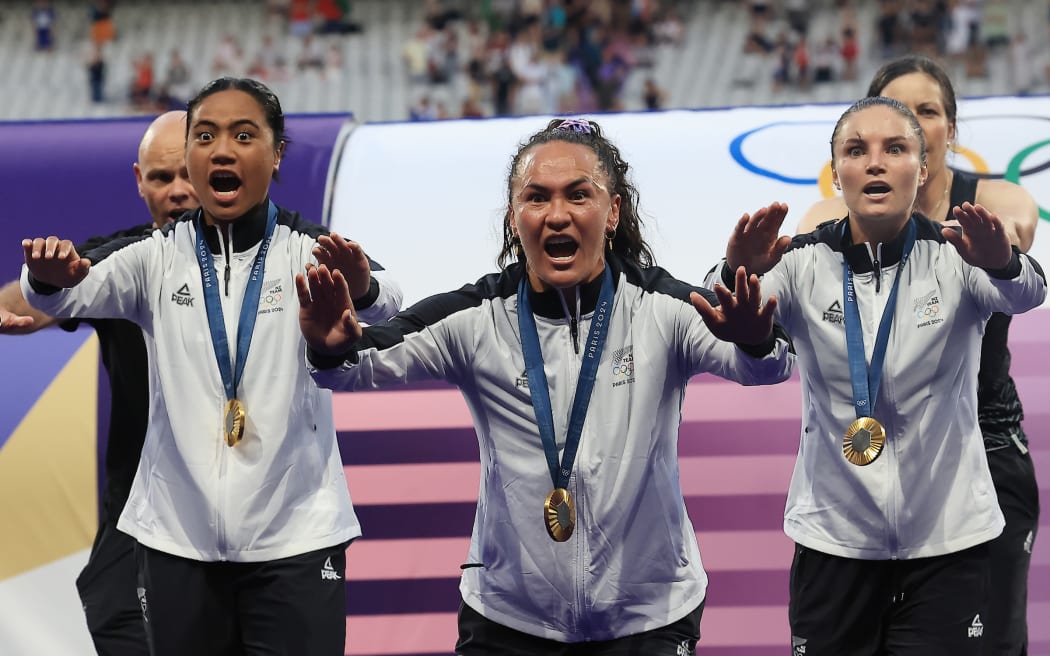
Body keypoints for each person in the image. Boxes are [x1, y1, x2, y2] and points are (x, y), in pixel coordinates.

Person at [295, 117, 796, 654]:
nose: (557, 214)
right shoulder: (476, 318)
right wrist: (331, 345)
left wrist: (756, 339)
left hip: (649, 616)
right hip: (509, 619)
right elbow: (360, 363)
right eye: (537, 198)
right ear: (515, 218)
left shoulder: (661, 309)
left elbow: (765, 368)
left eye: (579, 195)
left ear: (613, 212)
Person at [19, 77, 403, 656]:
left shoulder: (307, 248)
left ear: (275, 156)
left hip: (296, 543)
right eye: (205, 135)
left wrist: (364, 287)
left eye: (243, 135)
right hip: (176, 543)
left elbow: (391, 297)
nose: (221, 150)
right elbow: (65, 291)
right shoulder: (153, 257)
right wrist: (45, 278)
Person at [709, 97, 1046, 655]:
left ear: (923, 167)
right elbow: (740, 337)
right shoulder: (800, 260)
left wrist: (1002, 260)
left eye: (896, 149)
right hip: (832, 545)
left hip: (949, 544)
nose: (875, 163)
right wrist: (733, 275)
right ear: (836, 172)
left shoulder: (956, 256)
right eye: (855, 150)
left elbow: (1027, 291)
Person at [796, 55, 1040, 655]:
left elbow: (1017, 237)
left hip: (982, 434)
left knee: (995, 637)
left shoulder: (990, 200)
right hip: (872, 438)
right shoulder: (837, 213)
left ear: (946, 132)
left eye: (926, 112)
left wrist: (982, 244)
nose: (914, 122)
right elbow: (802, 244)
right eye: (897, 111)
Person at [0, 110, 195, 655]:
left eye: (186, 174)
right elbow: (37, 299)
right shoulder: (120, 261)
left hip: (250, 507)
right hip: (140, 506)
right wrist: (31, 298)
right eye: (161, 178)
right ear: (139, 181)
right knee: (117, 613)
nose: (177, 191)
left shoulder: (268, 262)